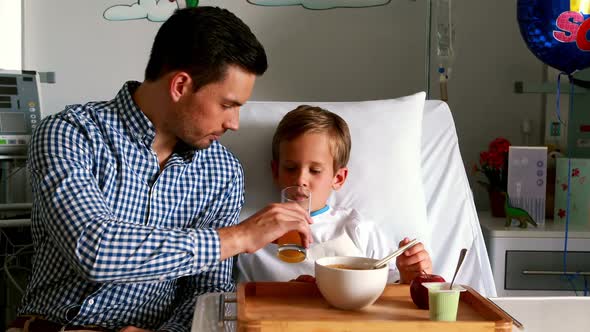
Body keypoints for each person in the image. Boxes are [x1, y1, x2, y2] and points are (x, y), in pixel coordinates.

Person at [9, 7, 313, 332]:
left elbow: (207, 292)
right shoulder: (69, 133)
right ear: (180, 85)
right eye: (227, 105)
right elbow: (94, 248)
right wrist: (240, 236)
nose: (234, 124)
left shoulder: (223, 172)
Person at [237, 105, 432, 284]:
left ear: (338, 178)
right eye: (290, 168)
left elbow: (392, 285)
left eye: (315, 170)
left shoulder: (357, 228)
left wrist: (409, 275)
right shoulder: (254, 235)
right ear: (275, 172)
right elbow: (240, 298)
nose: (300, 180)